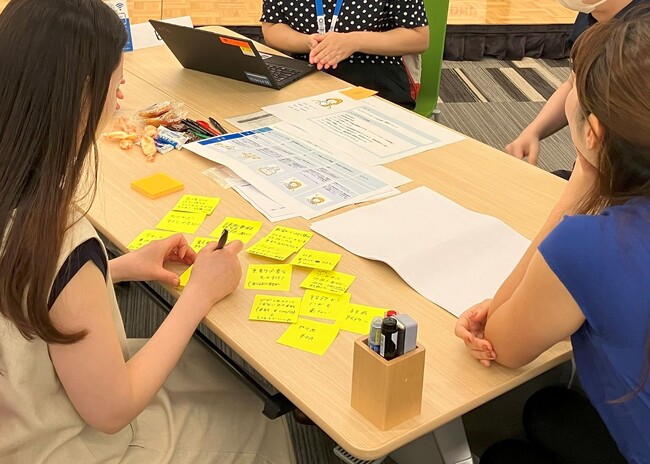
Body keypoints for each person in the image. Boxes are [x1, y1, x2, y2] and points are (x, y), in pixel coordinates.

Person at [0, 1, 295, 463]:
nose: (120, 101)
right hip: (56, 444)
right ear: (81, 95)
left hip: (20, 399)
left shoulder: (20, 202)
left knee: (205, 372)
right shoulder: (58, 233)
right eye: (117, 86)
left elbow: (27, 282)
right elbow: (111, 411)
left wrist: (113, 268)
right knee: (256, 417)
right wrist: (200, 293)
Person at [455, 10, 650, 464]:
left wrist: (581, 183)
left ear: (594, 132)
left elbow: (501, 343)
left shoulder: (591, 246)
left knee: (505, 454)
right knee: (547, 411)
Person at [505, 0, 645, 168]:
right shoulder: (591, 15)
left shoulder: (639, 42)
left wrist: (587, 172)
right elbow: (574, 83)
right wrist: (533, 132)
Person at [260, 0, 429, 109]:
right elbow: (272, 27)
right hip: (306, 71)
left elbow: (419, 38)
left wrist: (354, 41)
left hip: (374, 73)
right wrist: (310, 43)